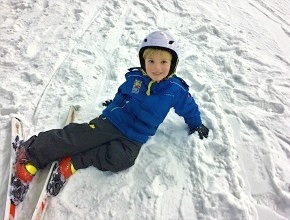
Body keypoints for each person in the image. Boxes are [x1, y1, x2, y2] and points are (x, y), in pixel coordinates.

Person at [16, 31, 209, 185]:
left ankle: (76, 161)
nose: (156, 67)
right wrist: (114, 106)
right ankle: (32, 152)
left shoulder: (176, 90)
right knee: (83, 137)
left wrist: (196, 123)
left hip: (137, 135)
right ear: (143, 61)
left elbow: (188, 107)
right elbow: (122, 93)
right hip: (115, 121)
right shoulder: (135, 78)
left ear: (172, 64)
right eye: (151, 61)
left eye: (163, 62)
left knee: (122, 160)